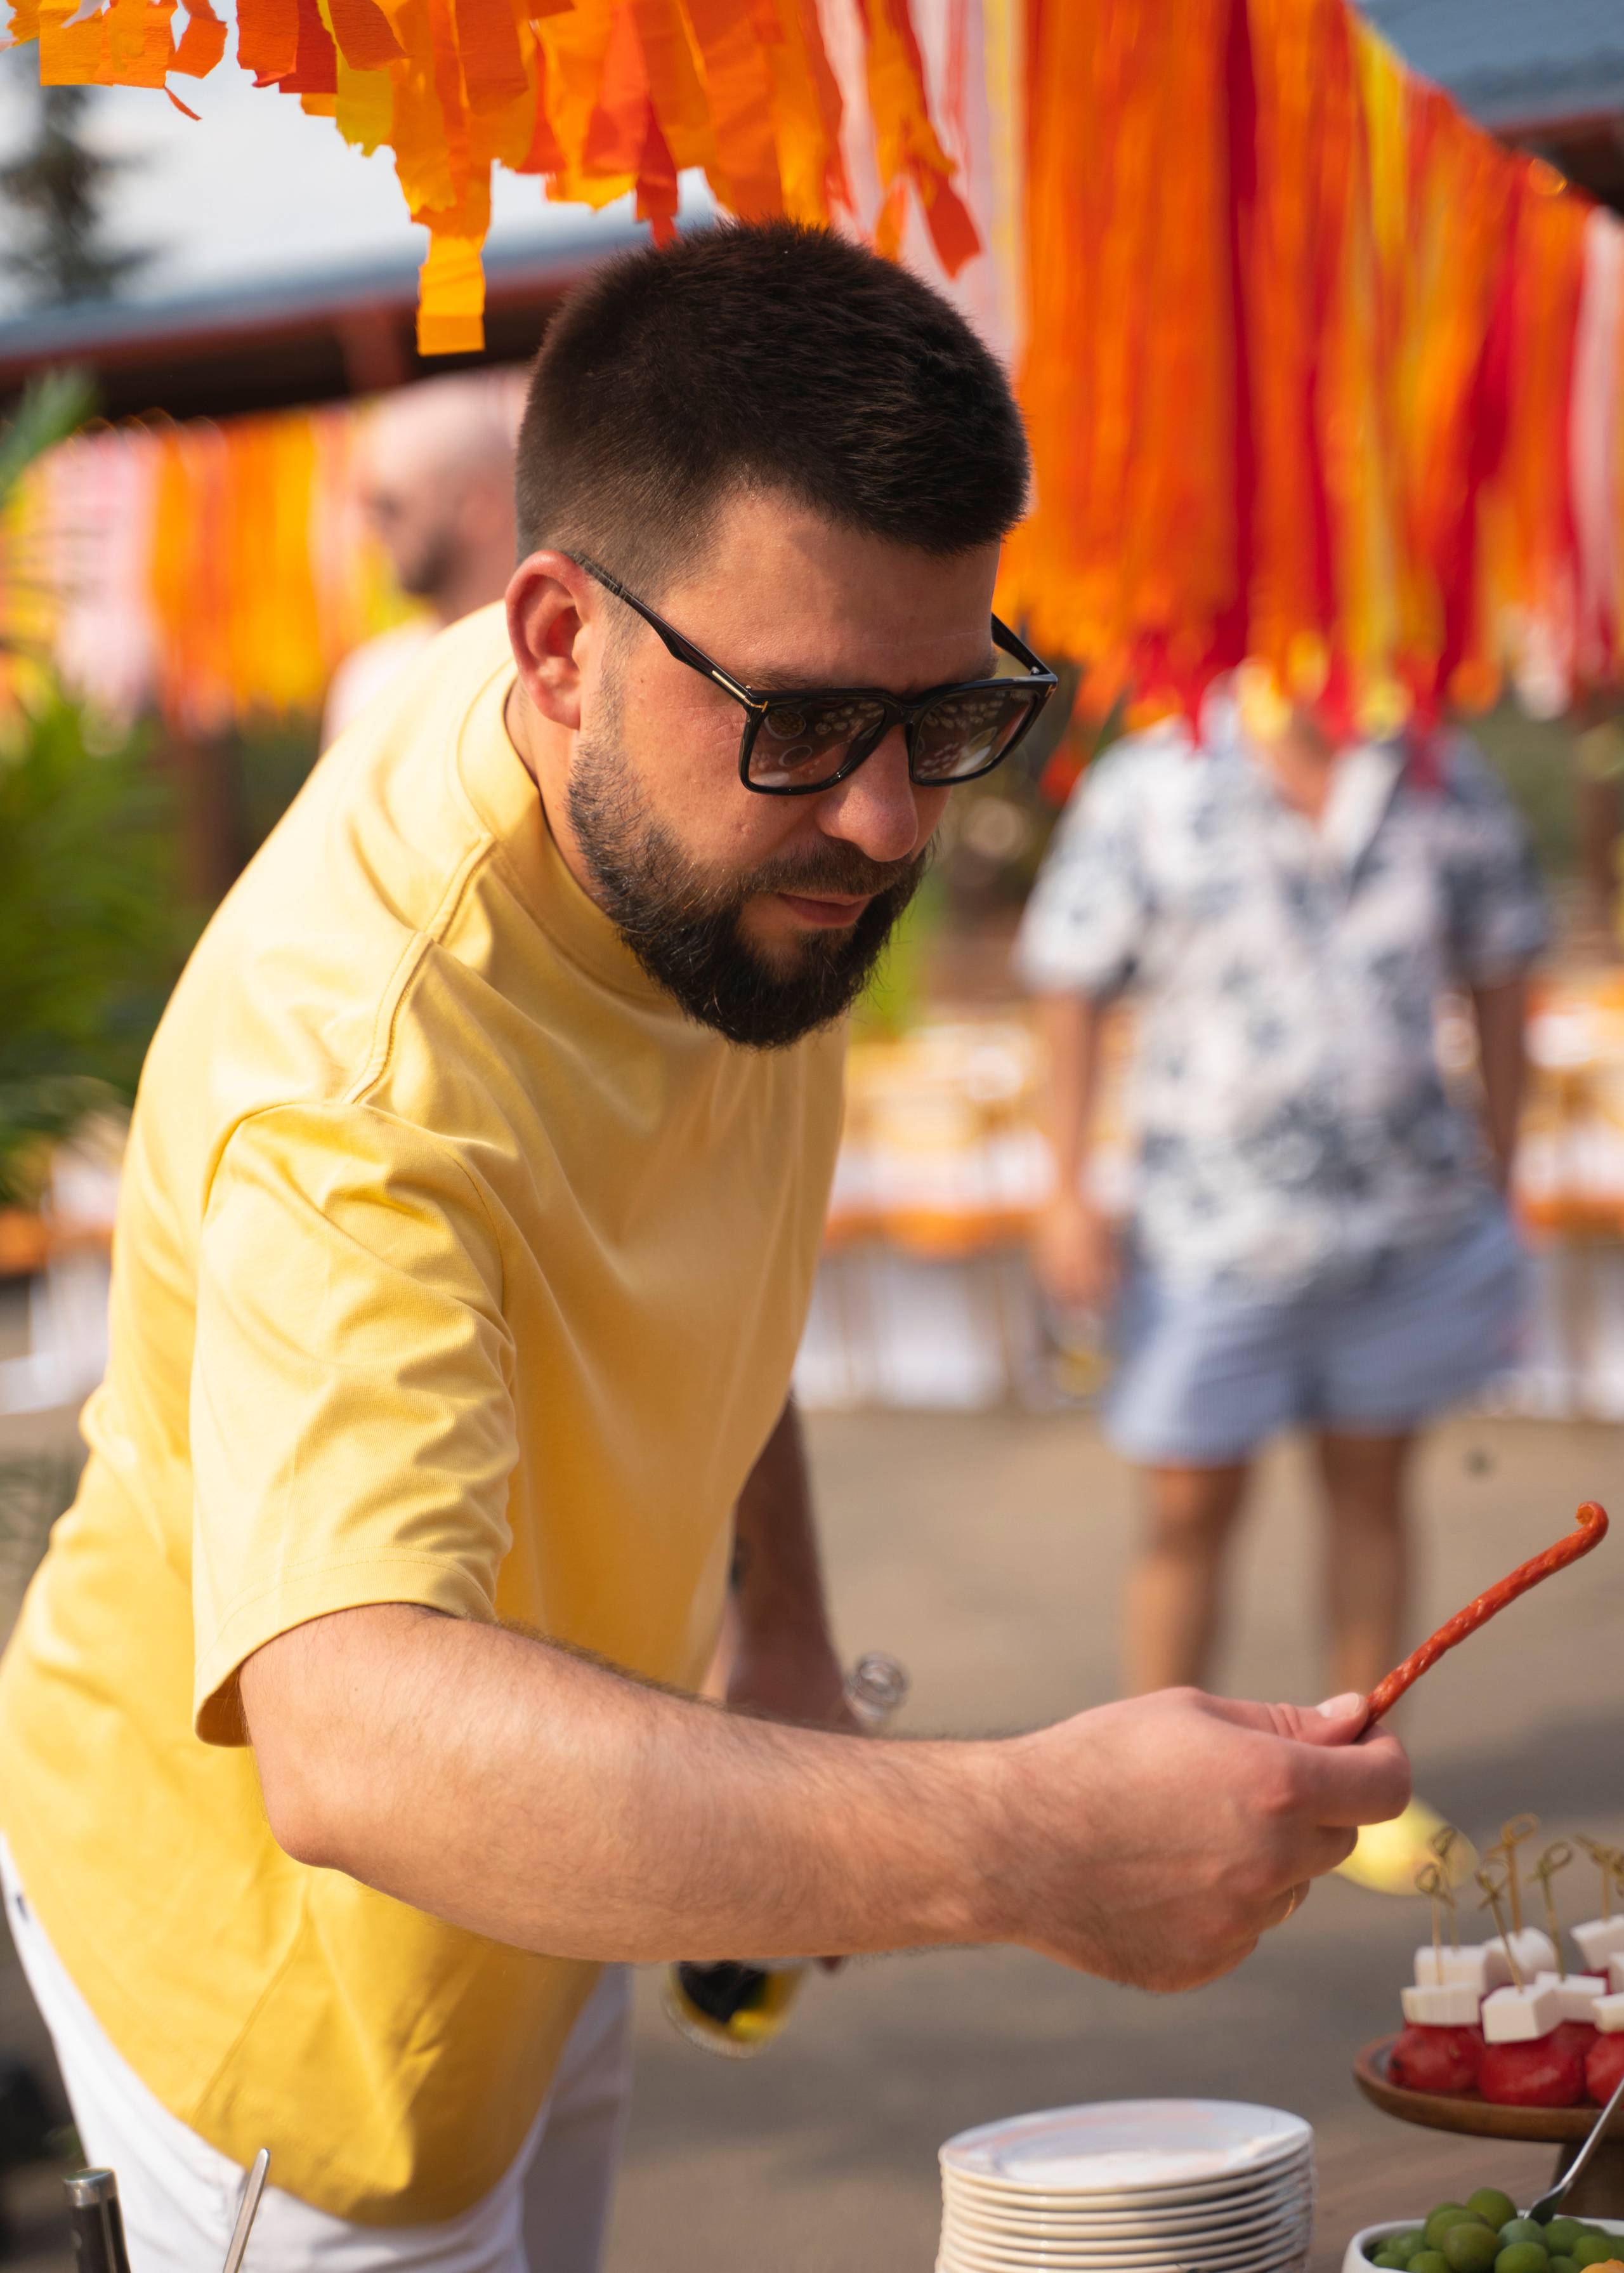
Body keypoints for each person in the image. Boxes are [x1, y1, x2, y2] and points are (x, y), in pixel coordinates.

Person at [0, 227, 1409, 2273]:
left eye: (949, 711)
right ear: (557, 644)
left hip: (563, 1853)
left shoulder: (696, 818)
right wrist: (1027, 1842)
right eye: (812, 721)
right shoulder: (360, 1066)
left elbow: (710, 1249)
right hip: (295, 2019)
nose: (890, 823)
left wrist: (784, 1637)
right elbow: (353, 1735)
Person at [1020, 669, 1547, 1716]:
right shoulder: (1152, 778)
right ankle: (1158, 1774)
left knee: (1372, 1490)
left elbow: (1503, 967)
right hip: (1210, 1232)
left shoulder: (1443, 771)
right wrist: (1065, 1188)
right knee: (1189, 1506)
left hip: (1404, 1221)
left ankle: (1355, 1763)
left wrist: (1503, 1164)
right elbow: (1070, 980)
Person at [320, 372, 520, 749]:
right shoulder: (371, 687)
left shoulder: (562, 660)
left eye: (389, 507)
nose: (365, 532)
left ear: (478, 505)